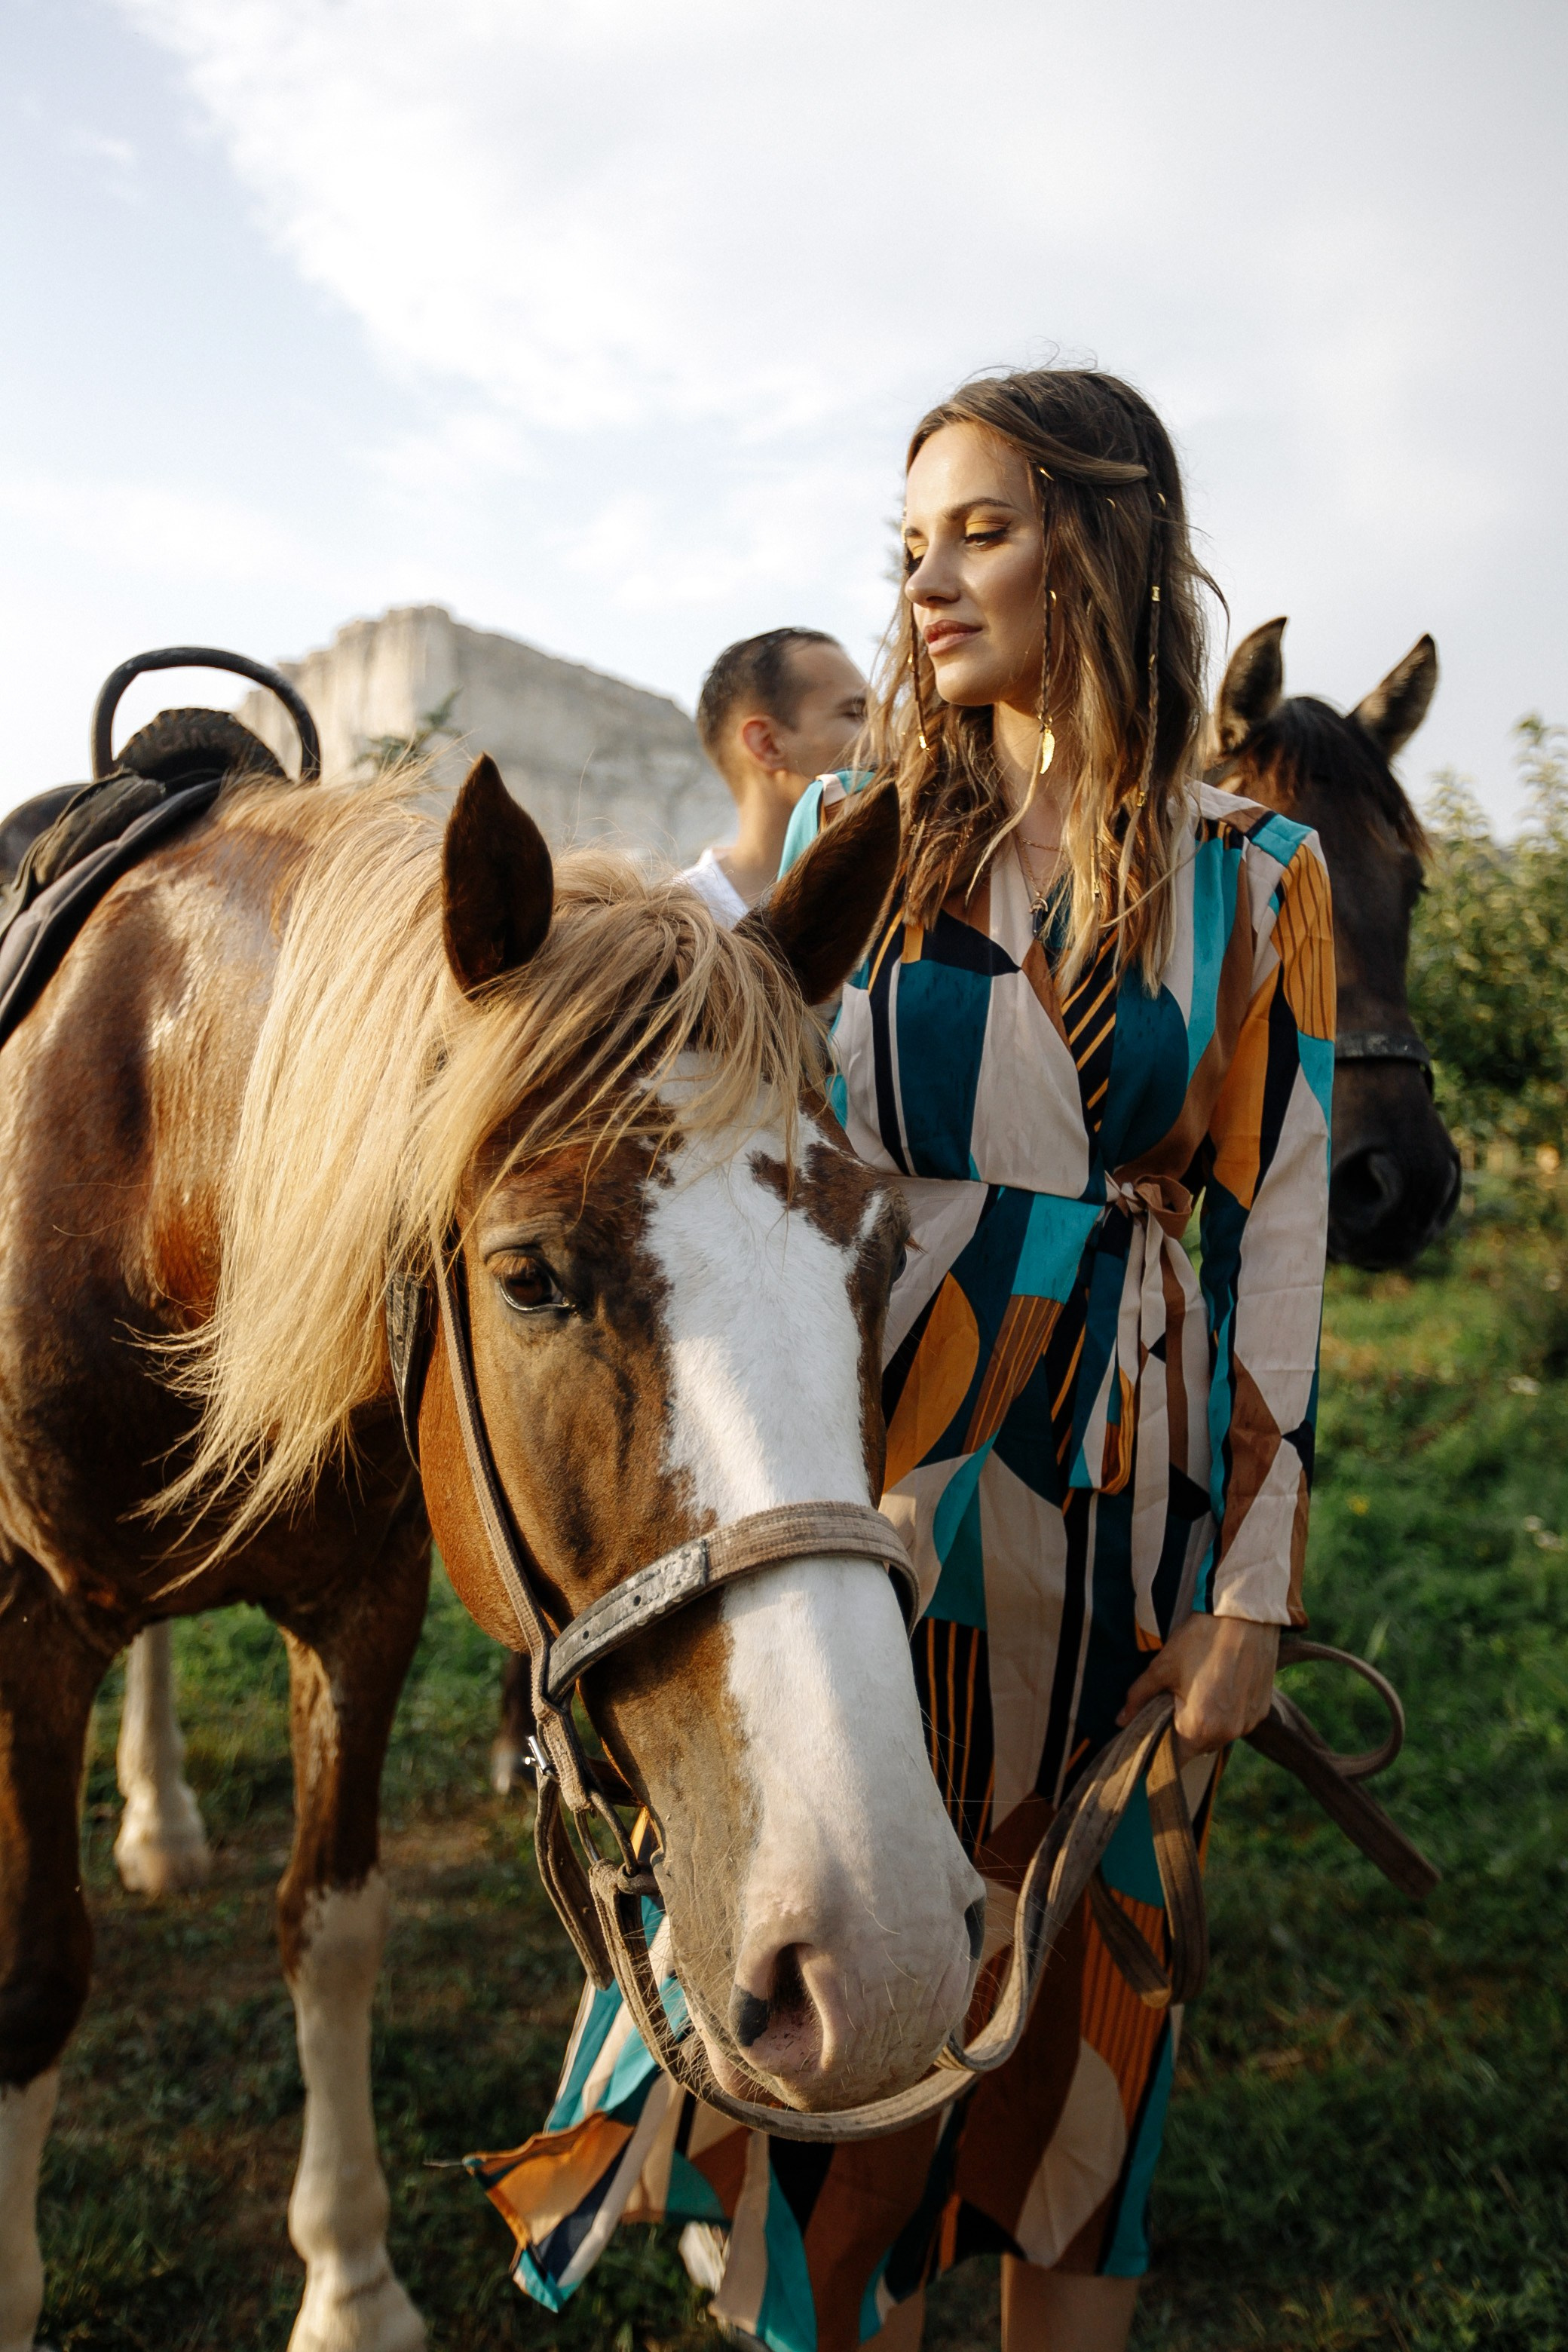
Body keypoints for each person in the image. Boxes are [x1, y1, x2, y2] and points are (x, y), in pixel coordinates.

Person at [470, 369, 1333, 2352]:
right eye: (913, 543)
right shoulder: (850, 840)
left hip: (1123, 1516)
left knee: (1085, 2028)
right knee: (838, 2002)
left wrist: (1251, 1594)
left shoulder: (1255, 874)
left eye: (983, 533)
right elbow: (759, 1170)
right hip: (875, 1497)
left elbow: (1273, 1242)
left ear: (1100, 549)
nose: (929, 583)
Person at [682, 626, 868, 920]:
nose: (893, 736)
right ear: (767, 744)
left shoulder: (902, 906)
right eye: (857, 714)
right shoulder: (675, 928)